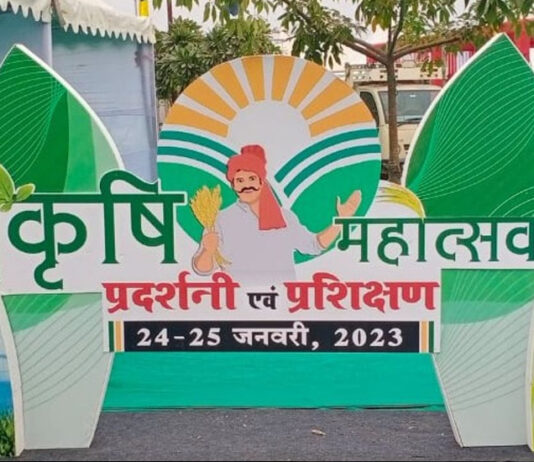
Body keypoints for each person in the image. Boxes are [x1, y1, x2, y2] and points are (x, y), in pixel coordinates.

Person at [193, 144, 361, 285]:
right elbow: (202, 269)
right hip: (238, 304)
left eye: (252, 179)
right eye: (240, 181)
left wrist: (342, 220)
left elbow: (314, 245)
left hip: (282, 302)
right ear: (233, 186)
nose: (246, 185)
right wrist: (208, 250)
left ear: (262, 182)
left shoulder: (285, 218)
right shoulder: (221, 219)